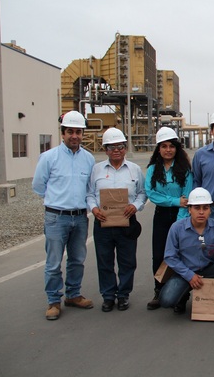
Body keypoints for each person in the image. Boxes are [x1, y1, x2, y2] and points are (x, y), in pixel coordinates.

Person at [32, 110, 95, 320]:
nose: (75, 136)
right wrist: (57, 202)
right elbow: (39, 186)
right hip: (56, 217)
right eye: (70, 132)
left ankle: (73, 294)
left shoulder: (88, 159)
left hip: (80, 217)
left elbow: (90, 189)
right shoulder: (49, 158)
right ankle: (53, 301)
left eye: (78, 132)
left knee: (77, 259)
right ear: (63, 133)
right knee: (53, 262)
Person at [87, 128, 147, 312]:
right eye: (111, 147)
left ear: (125, 148)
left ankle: (123, 295)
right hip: (102, 223)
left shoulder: (135, 170)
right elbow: (89, 193)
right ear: (105, 149)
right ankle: (108, 296)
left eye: (120, 146)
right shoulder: (96, 169)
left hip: (127, 222)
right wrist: (94, 209)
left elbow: (142, 193)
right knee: (104, 261)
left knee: (127, 261)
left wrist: (135, 206)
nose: (116, 150)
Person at [159, 187, 214, 320]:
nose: (201, 212)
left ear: (210, 210)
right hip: (185, 271)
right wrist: (189, 276)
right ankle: (182, 298)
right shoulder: (177, 228)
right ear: (189, 209)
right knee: (166, 301)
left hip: (208, 268)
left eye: (205, 208)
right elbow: (170, 257)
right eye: (197, 208)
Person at [144, 127, 193, 310]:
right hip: (162, 216)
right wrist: (174, 201)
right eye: (163, 146)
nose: (168, 150)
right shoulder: (152, 169)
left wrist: (180, 221)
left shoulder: (185, 170)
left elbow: (186, 197)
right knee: (159, 255)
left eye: (171, 146)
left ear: (177, 148)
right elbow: (151, 194)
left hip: (181, 217)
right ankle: (159, 290)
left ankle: (181, 296)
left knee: (180, 255)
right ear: (159, 149)